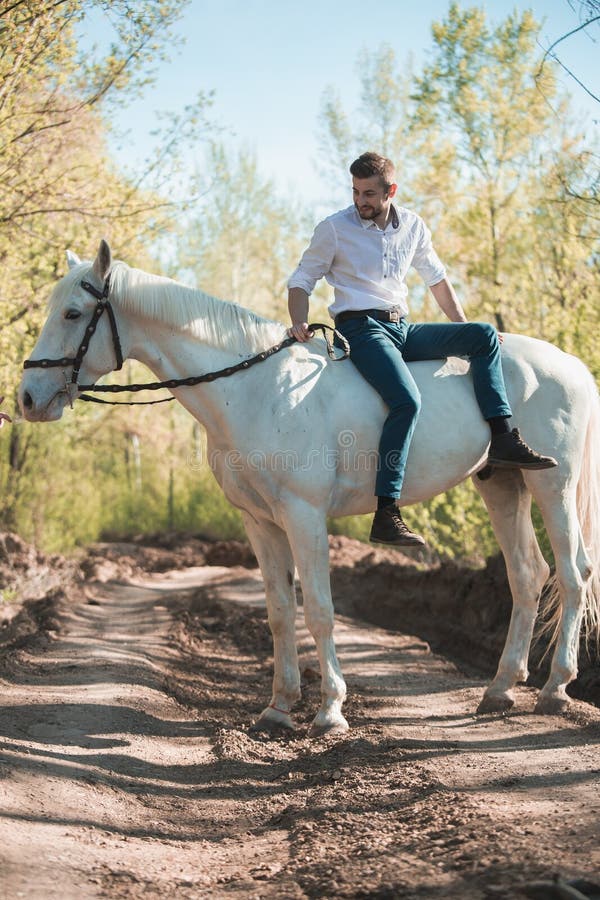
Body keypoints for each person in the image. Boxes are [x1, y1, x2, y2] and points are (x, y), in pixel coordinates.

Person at [287, 151, 557, 547]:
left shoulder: (412, 225)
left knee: (482, 336)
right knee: (406, 401)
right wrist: (298, 319)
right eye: (356, 191)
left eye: (369, 193)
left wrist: (461, 325)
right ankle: (386, 510)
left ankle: (502, 438)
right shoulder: (333, 229)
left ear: (390, 190)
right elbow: (301, 279)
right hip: (360, 329)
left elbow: (437, 280)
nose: (360, 200)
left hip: (402, 327)